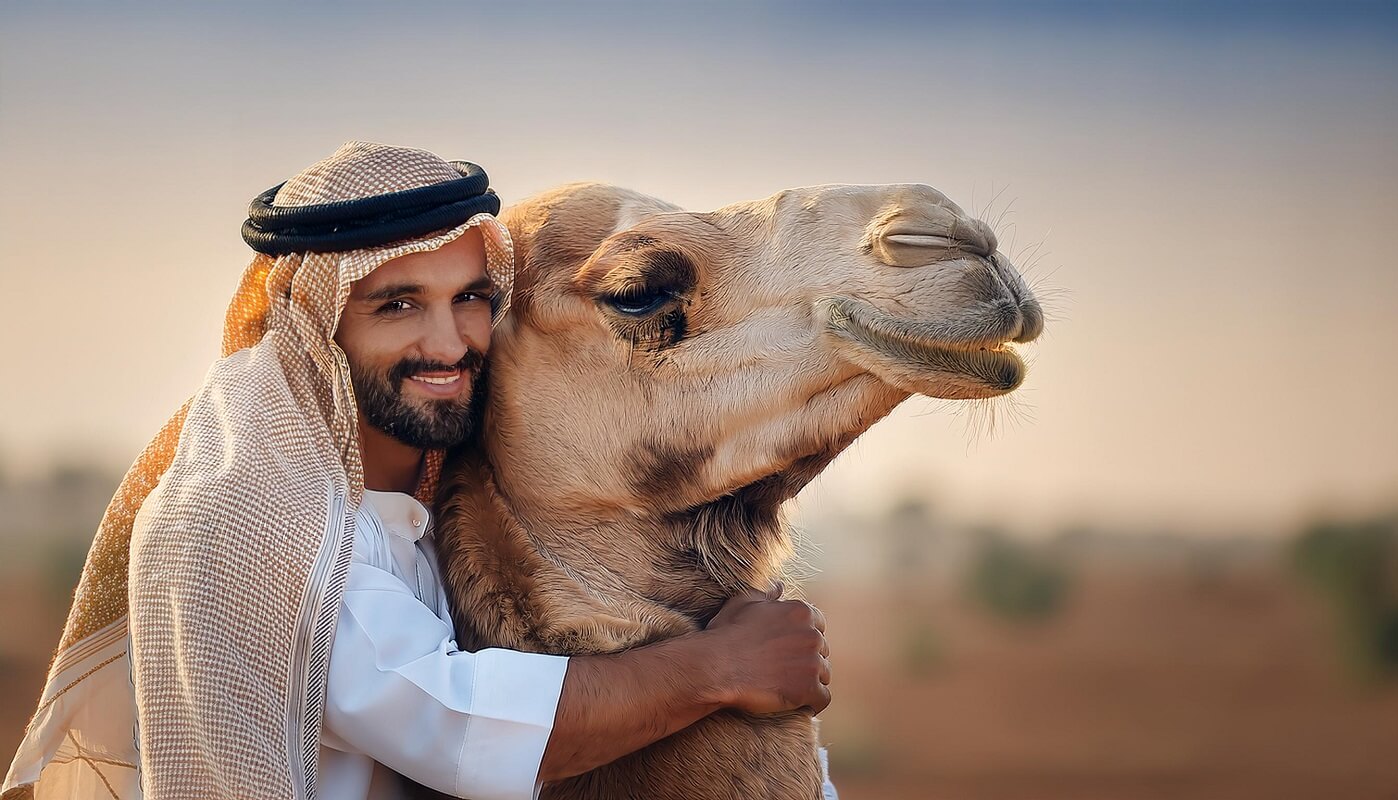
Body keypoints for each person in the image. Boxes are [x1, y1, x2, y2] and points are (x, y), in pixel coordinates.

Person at [3, 142, 833, 800]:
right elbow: (457, 726)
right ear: (314, 322)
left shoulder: (422, 497)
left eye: (471, 297)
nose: (448, 342)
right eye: (397, 305)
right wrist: (721, 668)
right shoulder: (240, 518)